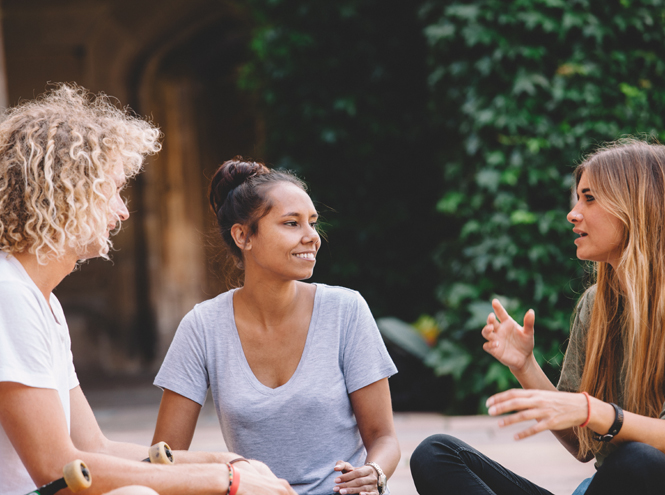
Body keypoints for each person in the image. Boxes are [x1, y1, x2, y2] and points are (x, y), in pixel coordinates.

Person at [0, 84, 296, 495]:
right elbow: (58, 472)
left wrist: (222, 462)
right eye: (113, 190)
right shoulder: (8, 295)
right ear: (67, 193)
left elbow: (94, 447)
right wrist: (221, 482)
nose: (122, 210)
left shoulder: (41, 302)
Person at [409, 139, 665, 495]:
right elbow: (581, 444)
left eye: (589, 198)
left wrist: (594, 410)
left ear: (637, 207)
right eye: (578, 198)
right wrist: (525, 366)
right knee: (436, 454)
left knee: (641, 460)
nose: (573, 213)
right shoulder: (597, 305)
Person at [151, 157, 401, 495]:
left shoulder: (346, 310)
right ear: (243, 236)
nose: (312, 237)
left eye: (312, 223)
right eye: (291, 223)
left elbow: (384, 438)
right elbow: (165, 457)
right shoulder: (203, 326)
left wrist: (374, 473)